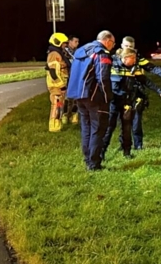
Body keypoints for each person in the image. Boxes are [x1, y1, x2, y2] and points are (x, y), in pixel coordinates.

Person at [110, 36, 161, 150]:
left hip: (136, 92)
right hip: (121, 94)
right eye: (126, 46)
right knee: (123, 121)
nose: (129, 48)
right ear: (121, 46)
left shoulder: (138, 59)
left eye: (131, 47)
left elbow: (151, 69)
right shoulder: (114, 60)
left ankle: (138, 144)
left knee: (136, 120)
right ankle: (124, 145)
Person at [66, 30, 115, 171]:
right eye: (113, 43)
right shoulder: (101, 53)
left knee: (86, 128)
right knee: (97, 129)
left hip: (78, 96)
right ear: (107, 41)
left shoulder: (81, 51)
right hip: (94, 97)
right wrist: (107, 97)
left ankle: (88, 159)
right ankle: (94, 163)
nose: (113, 46)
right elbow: (103, 78)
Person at [45, 32, 72, 133]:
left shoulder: (59, 53)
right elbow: (53, 73)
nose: (65, 45)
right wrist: (61, 86)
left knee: (59, 105)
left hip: (60, 86)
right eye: (64, 43)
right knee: (56, 105)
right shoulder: (54, 54)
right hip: (56, 86)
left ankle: (57, 125)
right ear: (58, 42)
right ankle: (53, 127)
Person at [64, 36, 81, 124]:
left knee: (76, 97)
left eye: (78, 42)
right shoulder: (64, 52)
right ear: (69, 41)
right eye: (75, 41)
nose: (77, 43)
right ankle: (65, 115)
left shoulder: (78, 52)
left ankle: (74, 115)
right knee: (67, 97)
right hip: (67, 76)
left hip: (75, 77)